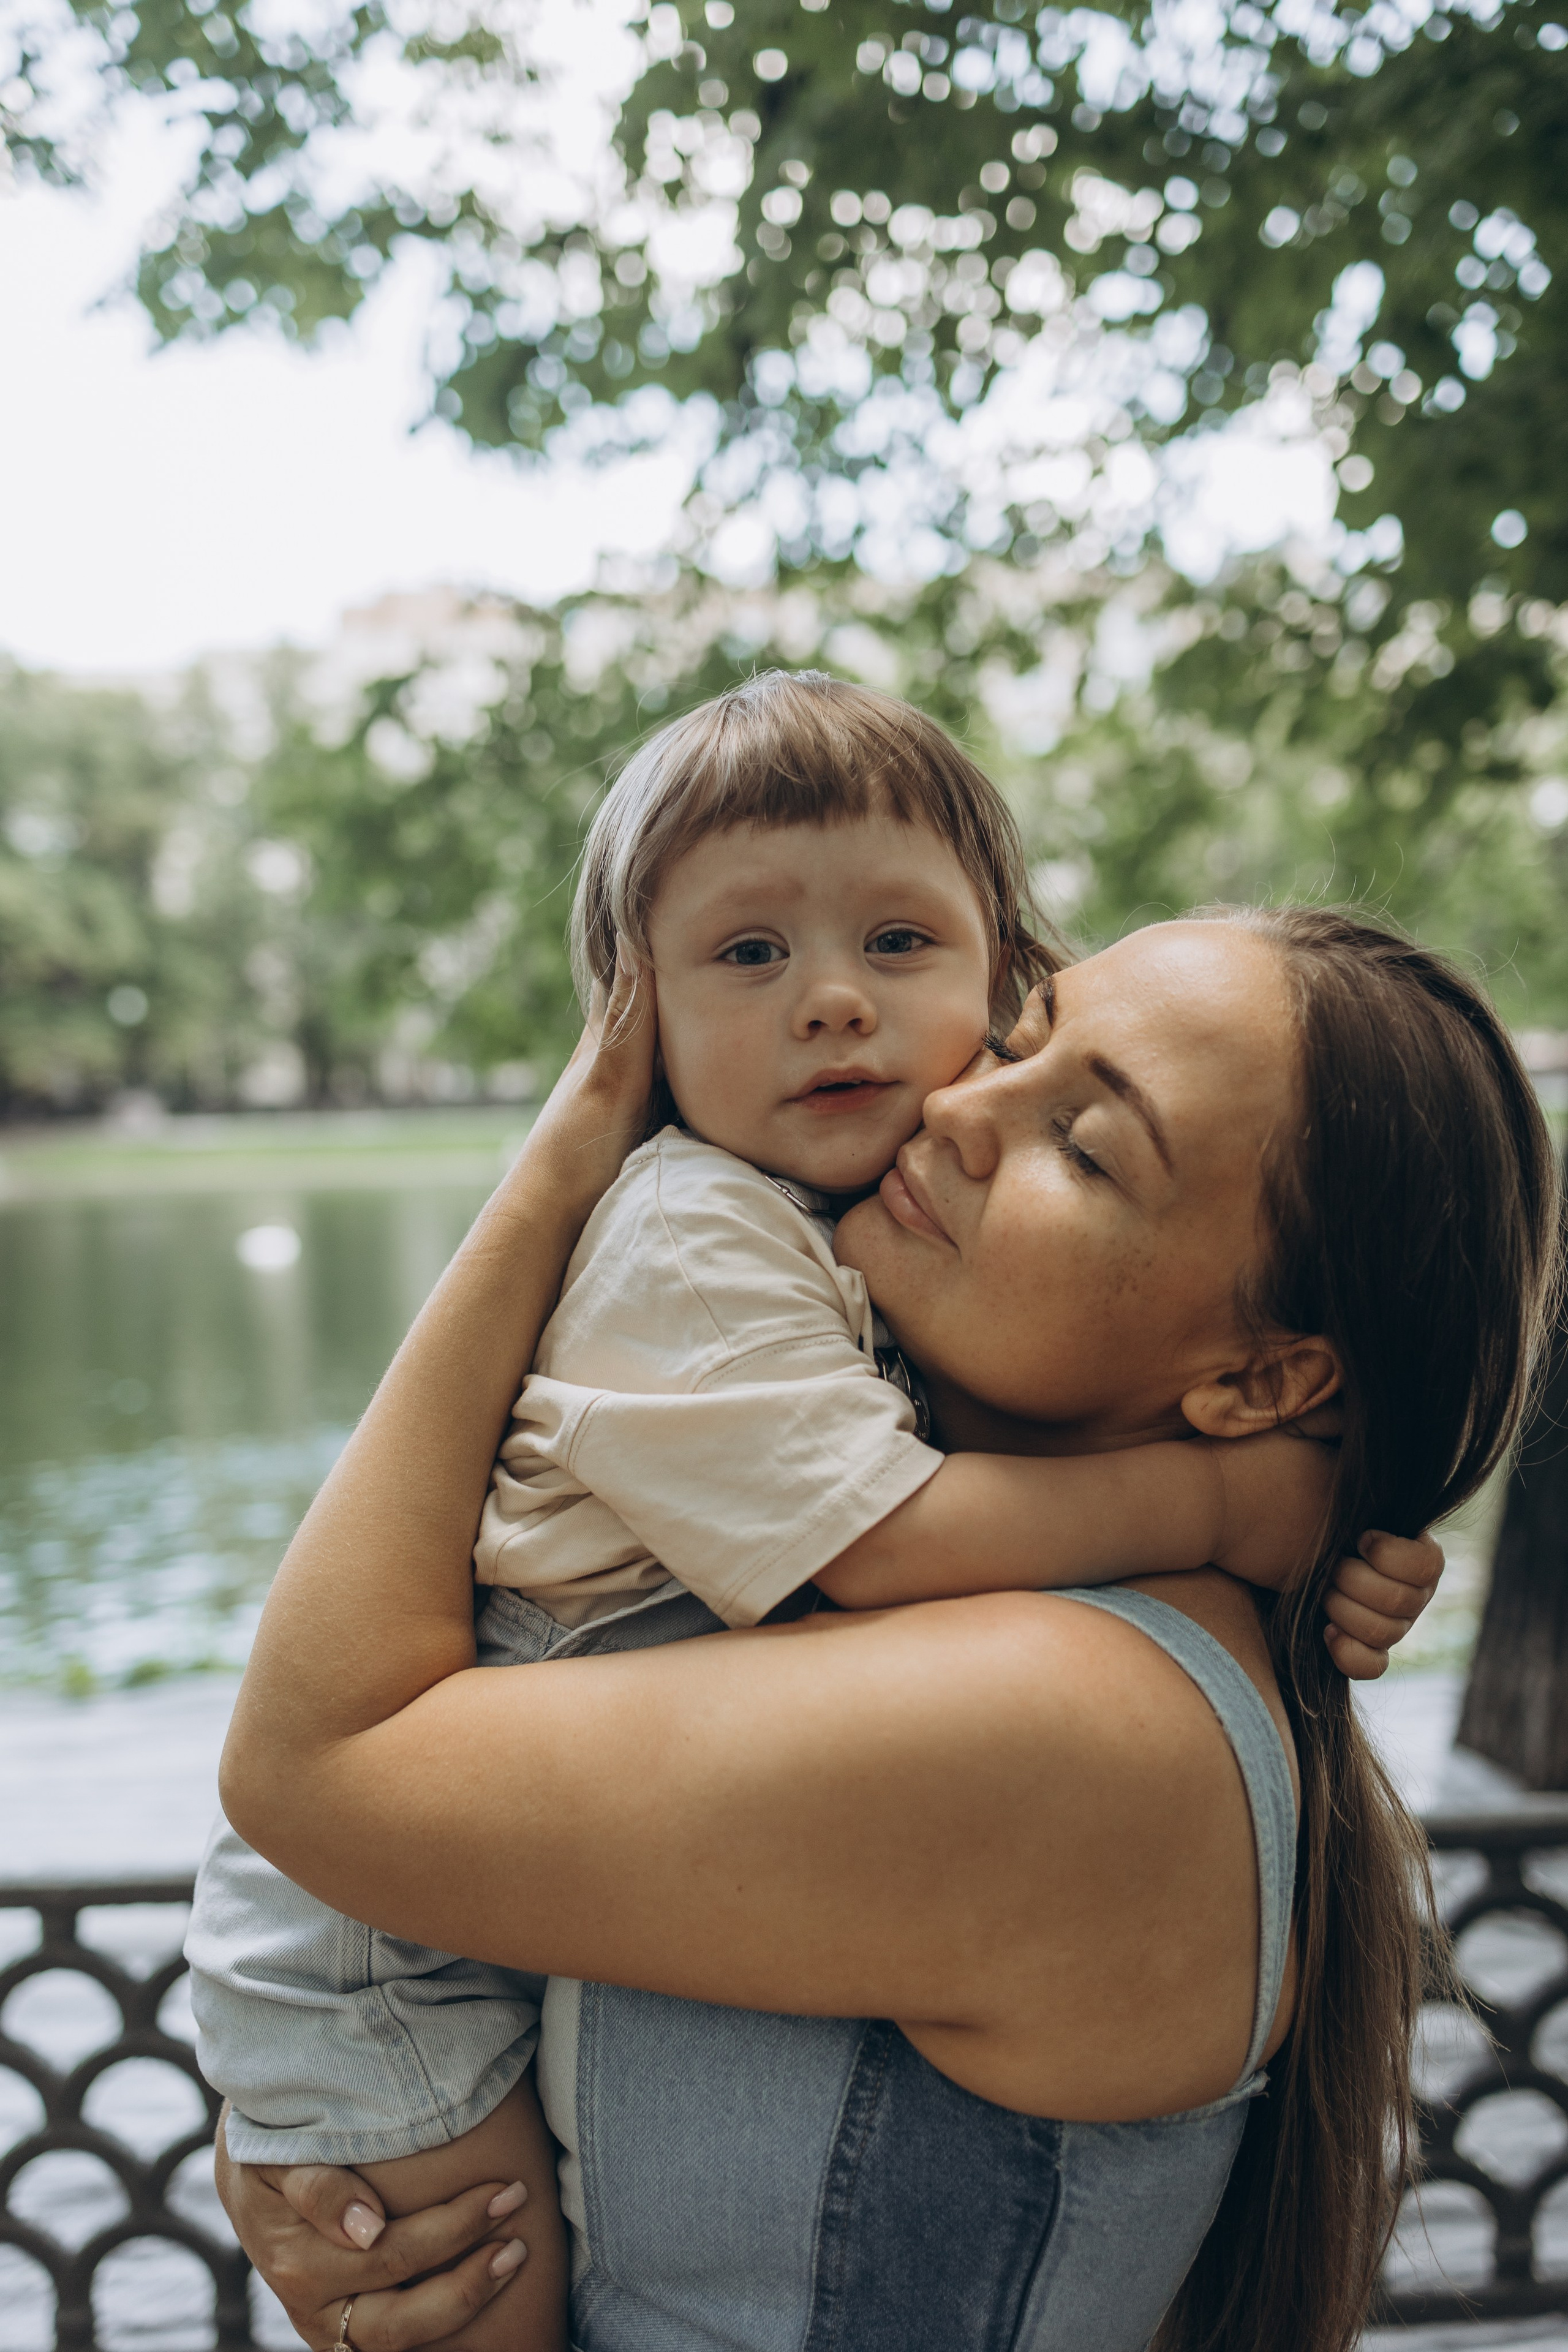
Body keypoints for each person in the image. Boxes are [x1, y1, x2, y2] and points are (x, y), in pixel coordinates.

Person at [210, 887, 1552, 2351]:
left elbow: (312, 1769)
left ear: (1260, 1384)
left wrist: (551, 1181)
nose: (964, 1108)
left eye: (1085, 1146)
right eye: (1021, 1035)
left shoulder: (1073, 1723)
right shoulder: (980, 1587)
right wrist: (345, 2134)